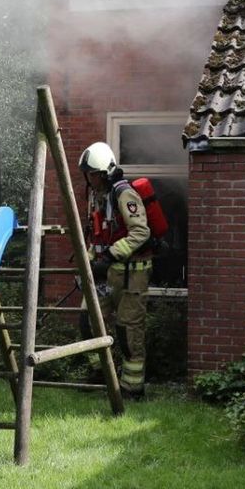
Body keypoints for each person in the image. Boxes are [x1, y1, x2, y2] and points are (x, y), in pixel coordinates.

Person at [78, 142, 151, 399]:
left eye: (94, 174)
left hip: (132, 274)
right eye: (88, 174)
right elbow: (96, 237)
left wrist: (110, 255)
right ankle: (101, 375)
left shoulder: (124, 194)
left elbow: (141, 232)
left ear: (105, 172)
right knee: (87, 320)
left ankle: (132, 388)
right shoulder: (96, 197)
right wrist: (86, 265)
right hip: (105, 274)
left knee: (127, 329)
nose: (90, 179)